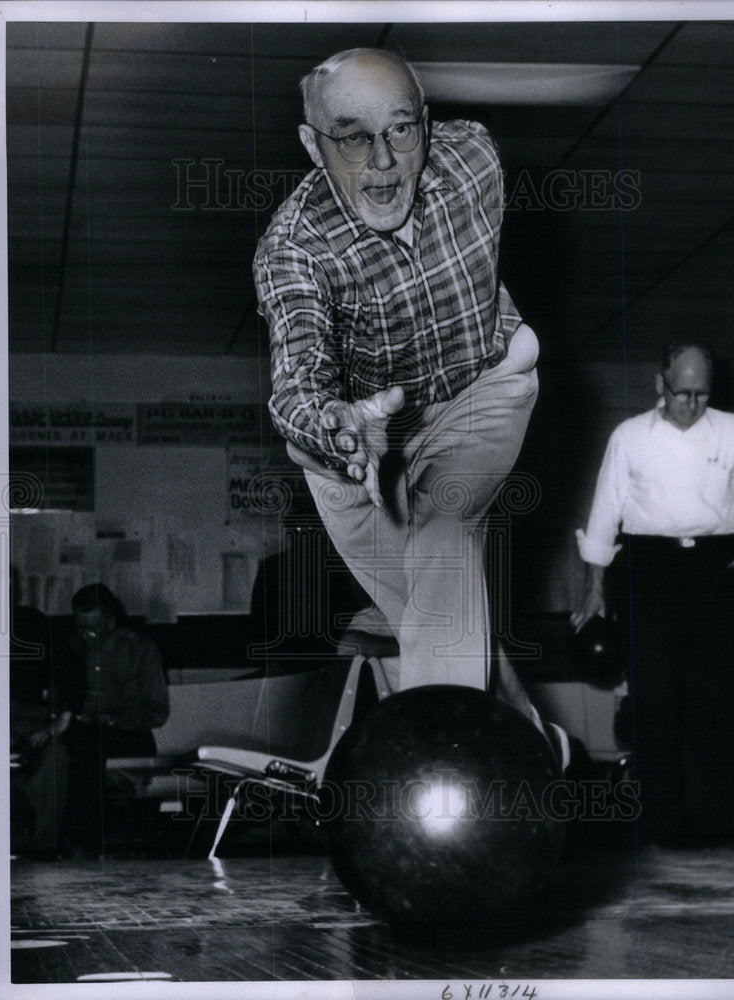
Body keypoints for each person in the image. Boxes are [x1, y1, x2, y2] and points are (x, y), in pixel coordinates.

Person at [253, 49, 550, 736]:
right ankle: (525, 739)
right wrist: (334, 424)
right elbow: (296, 374)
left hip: (481, 389)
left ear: (426, 125)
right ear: (312, 144)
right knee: (431, 608)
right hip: (356, 445)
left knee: (441, 526)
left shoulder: (473, 157)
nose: (382, 163)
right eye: (352, 136)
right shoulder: (294, 249)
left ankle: (442, 747)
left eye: (400, 130)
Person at [571, 342, 734, 847]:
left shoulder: (733, 432)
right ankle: (658, 825)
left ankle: (725, 823)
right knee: (655, 697)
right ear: (658, 383)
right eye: (681, 391)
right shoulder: (628, 438)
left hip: (718, 568)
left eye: (701, 393)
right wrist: (594, 587)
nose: (691, 403)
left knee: (718, 696)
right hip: (649, 568)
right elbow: (605, 511)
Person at [64, 583, 170, 856]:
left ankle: (93, 844)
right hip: (82, 730)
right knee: (74, 755)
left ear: (111, 621)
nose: (87, 636)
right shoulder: (70, 646)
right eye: (81, 627)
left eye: (94, 628)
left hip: (127, 731)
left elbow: (156, 710)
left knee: (92, 761)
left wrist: (114, 720)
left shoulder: (140, 649)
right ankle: (81, 845)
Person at [9, 575, 83, 860]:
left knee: (56, 758)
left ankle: (42, 850)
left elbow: (70, 669)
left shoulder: (33, 623)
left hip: (28, 720)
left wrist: (62, 717)